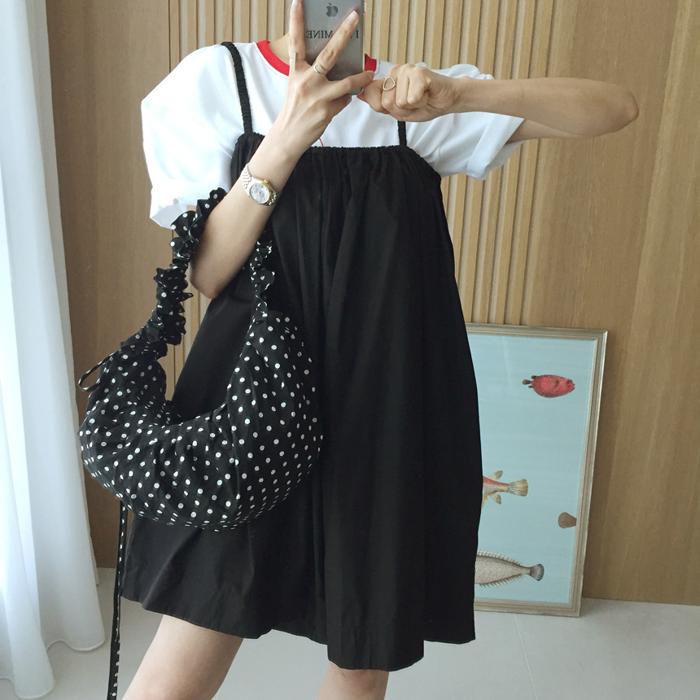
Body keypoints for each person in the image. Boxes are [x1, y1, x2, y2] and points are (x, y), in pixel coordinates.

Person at [119, 2, 639, 699]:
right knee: (183, 656)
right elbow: (209, 274)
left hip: (385, 408)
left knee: (361, 661)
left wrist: (462, 95)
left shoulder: (411, 99)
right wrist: (286, 136)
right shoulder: (218, 80)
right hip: (248, 409)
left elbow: (616, 108)